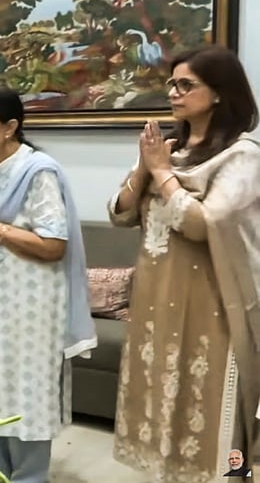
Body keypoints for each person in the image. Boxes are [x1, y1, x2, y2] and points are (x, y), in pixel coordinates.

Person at [110, 44, 260, 482]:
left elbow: (203, 224)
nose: (173, 93)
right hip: (157, 298)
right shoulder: (169, 150)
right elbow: (119, 212)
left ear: (218, 93)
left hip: (213, 307)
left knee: (212, 406)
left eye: (186, 84)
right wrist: (146, 168)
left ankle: (230, 472)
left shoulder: (243, 158)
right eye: (172, 83)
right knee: (160, 401)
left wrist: (160, 173)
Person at [0, 86, 95, 483]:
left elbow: (53, 246)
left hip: (33, 305)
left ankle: (29, 476)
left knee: (26, 392)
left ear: (11, 127)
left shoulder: (39, 172)